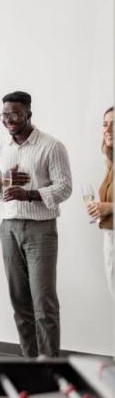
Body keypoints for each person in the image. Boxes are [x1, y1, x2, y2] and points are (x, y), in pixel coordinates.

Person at [0, 91, 72, 358]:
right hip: (8, 229)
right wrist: (4, 179)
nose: (9, 119)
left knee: (44, 304)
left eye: (14, 114)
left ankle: (50, 366)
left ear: (28, 114)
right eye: (4, 114)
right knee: (19, 302)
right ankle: (29, 363)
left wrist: (31, 193)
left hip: (41, 230)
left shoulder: (51, 146)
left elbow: (65, 188)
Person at [86, 106, 114, 296]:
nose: (108, 130)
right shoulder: (111, 163)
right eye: (105, 125)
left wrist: (109, 207)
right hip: (110, 238)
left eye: (113, 125)